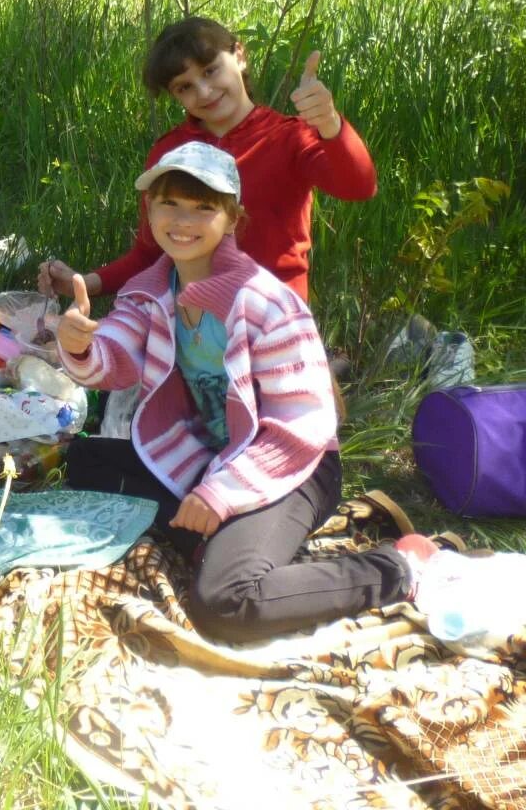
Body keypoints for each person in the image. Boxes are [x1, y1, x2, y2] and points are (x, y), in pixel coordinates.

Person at [55, 142, 434, 643]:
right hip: (210, 454)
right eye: (169, 203)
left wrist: (220, 494)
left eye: (203, 207)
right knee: (82, 462)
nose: (183, 220)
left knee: (225, 600)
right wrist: (78, 344)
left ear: (232, 218)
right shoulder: (148, 291)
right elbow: (114, 358)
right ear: (150, 211)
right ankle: (209, 535)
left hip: (293, 465)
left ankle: (395, 567)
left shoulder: (266, 303)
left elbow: (303, 425)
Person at [40, 17, 376, 303]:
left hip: (272, 321)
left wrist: (331, 126)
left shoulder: (287, 137)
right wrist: (83, 283)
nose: (203, 92)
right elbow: (151, 254)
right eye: (184, 87)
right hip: (191, 328)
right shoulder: (170, 153)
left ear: (239, 55)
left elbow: (359, 186)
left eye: (211, 71)